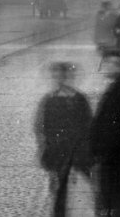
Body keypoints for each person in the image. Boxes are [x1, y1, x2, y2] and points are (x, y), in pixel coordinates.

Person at [34, 61, 92, 217]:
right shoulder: (48, 100)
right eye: (56, 76)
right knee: (59, 191)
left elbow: (88, 125)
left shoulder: (79, 98)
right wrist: (44, 147)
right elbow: (40, 127)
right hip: (57, 150)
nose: (59, 79)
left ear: (69, 76)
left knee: (93, 184)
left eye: (62, 75)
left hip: (78, 149)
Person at [89, 49, 120, 217]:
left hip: (111, 152)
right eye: (107, 63)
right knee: (113, 194)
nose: (109, 67)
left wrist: (105, 148)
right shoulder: (116, 87)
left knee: (113, 195)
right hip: (110, 151)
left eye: (114, 64)